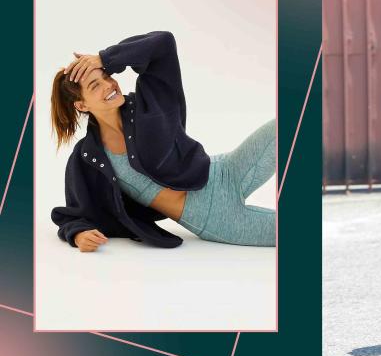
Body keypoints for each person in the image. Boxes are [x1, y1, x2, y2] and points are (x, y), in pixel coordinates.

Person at [50, 31, 276, 252]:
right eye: (95, 85)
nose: (109, 85)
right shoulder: (88, 156)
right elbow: (75, 212)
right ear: (82, 106)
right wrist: (79, 235)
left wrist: (105, 59)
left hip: (225, 171)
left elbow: (163, 44)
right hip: (214, 217)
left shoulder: (147, 105)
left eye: (106, 76)